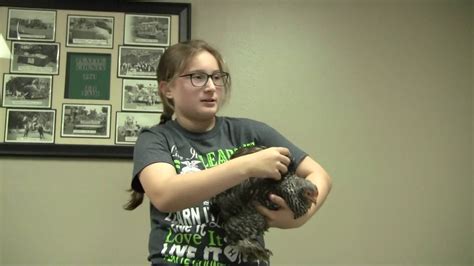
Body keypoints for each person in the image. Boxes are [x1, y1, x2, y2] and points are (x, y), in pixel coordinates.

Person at [124, 39, 332, 266]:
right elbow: (165, 195)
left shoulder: (252, 132)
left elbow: (320, 175)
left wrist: (298, 219)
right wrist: (246, 166)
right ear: (167, 89)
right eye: (197, 77)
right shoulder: (155, 139)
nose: (211, 87)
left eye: (216, 77)